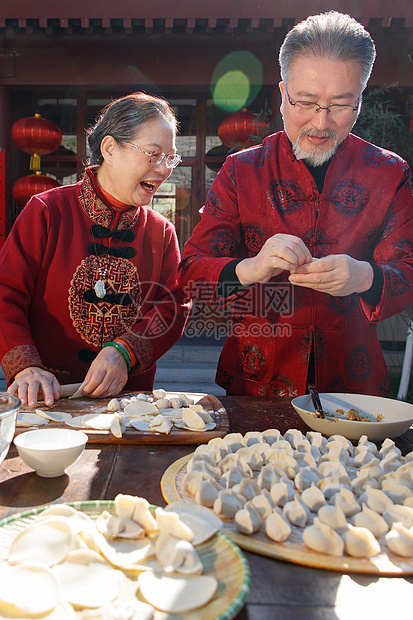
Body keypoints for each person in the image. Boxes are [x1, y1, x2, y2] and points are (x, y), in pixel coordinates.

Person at [179, 11, 413, 397]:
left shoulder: (389, 173)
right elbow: (190, 272)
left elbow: (408, 270)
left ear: (360, 99)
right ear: (283, 93)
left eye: (341, 105)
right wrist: (252, 267)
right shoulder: (242, 170)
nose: (321, 123)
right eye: (306, 102)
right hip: (256, 382)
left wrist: (364, 277)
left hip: (353, 383)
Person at [0, 92, 190, 407]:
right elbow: (6, 294)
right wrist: (27, 366)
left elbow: (172, 309)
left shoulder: (162, 232)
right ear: (110, 149)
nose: (164, 168)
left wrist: (126, 352)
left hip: (127, 402)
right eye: (153, 154)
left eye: (170, 157)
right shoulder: (47, 211)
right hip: (47, 397)